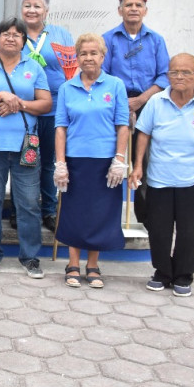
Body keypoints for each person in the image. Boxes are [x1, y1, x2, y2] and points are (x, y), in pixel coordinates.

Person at [130, 53, 194, 297]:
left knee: (190, 231)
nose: (179, 77)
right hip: (159, 178)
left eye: (186, 72)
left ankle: (184, 275)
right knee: (159, 230)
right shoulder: (156, 102)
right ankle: (162, 273)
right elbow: (143, 134)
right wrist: (138, 166)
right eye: (174, 72)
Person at [0, 18, 52, 278]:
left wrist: (19, 103)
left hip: (25, 146)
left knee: (28, 203)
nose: (11, 38)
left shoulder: (34, 67)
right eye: (6, 33)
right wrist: (0, 96)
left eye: (17, 34)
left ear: (24, 41)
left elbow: (46, 104)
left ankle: (30, 256)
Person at [53, 33, 130, 289]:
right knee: (75, 213)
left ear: (102, 56)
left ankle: (93, 265)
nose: (88, 58)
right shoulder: (67, 88)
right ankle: (72, 263)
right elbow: (61, 127)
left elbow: (122, 125)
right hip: (75, 160)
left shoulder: (115, 85)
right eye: (83, 53)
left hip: (105, 161)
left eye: (93, 53)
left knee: (100, 213)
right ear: (77, 57)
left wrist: (120, 158)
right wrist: (60, 163)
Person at [102, 0, 170, 205]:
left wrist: (141, 101)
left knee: (146, 162)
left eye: (138, 5)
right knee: (113, 159)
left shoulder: (156, 40)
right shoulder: (108, 39)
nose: (133, 9)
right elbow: (102, 75)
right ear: (119, 10)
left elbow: (164, 76)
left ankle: (146, 216)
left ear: (145, 11)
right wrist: (124, 105)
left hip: (149, 104)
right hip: (115, 104)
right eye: (128, 5)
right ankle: (109, 215)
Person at [19, 0, 74, 232]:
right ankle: (23, 210)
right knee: (26, 160)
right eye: (27, 6)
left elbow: (72, 70)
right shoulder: (14, 34)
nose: (32, 10)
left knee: (51, 161)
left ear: (46, 11)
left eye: (37, 6)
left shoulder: (60, 35)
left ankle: (49, 210)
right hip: (23, 109)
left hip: (54, 109)